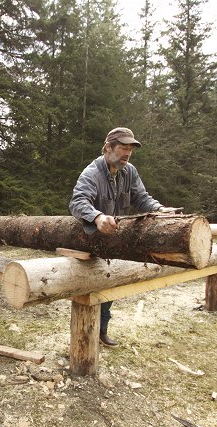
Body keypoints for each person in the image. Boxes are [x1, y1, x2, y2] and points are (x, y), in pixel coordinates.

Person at [69, 127, 182, 347]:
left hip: (115, 237)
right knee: (93, 287)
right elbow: (77, 202)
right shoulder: (92, 172)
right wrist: (97, 217)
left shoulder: (129, 171)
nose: (127, 153)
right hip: (92, 236)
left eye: (130, 149)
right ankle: (86, 337)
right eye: (123, 148)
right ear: (108, 148)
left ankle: (101, 331)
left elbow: (142, 198)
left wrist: (160, 210)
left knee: (110, 285)